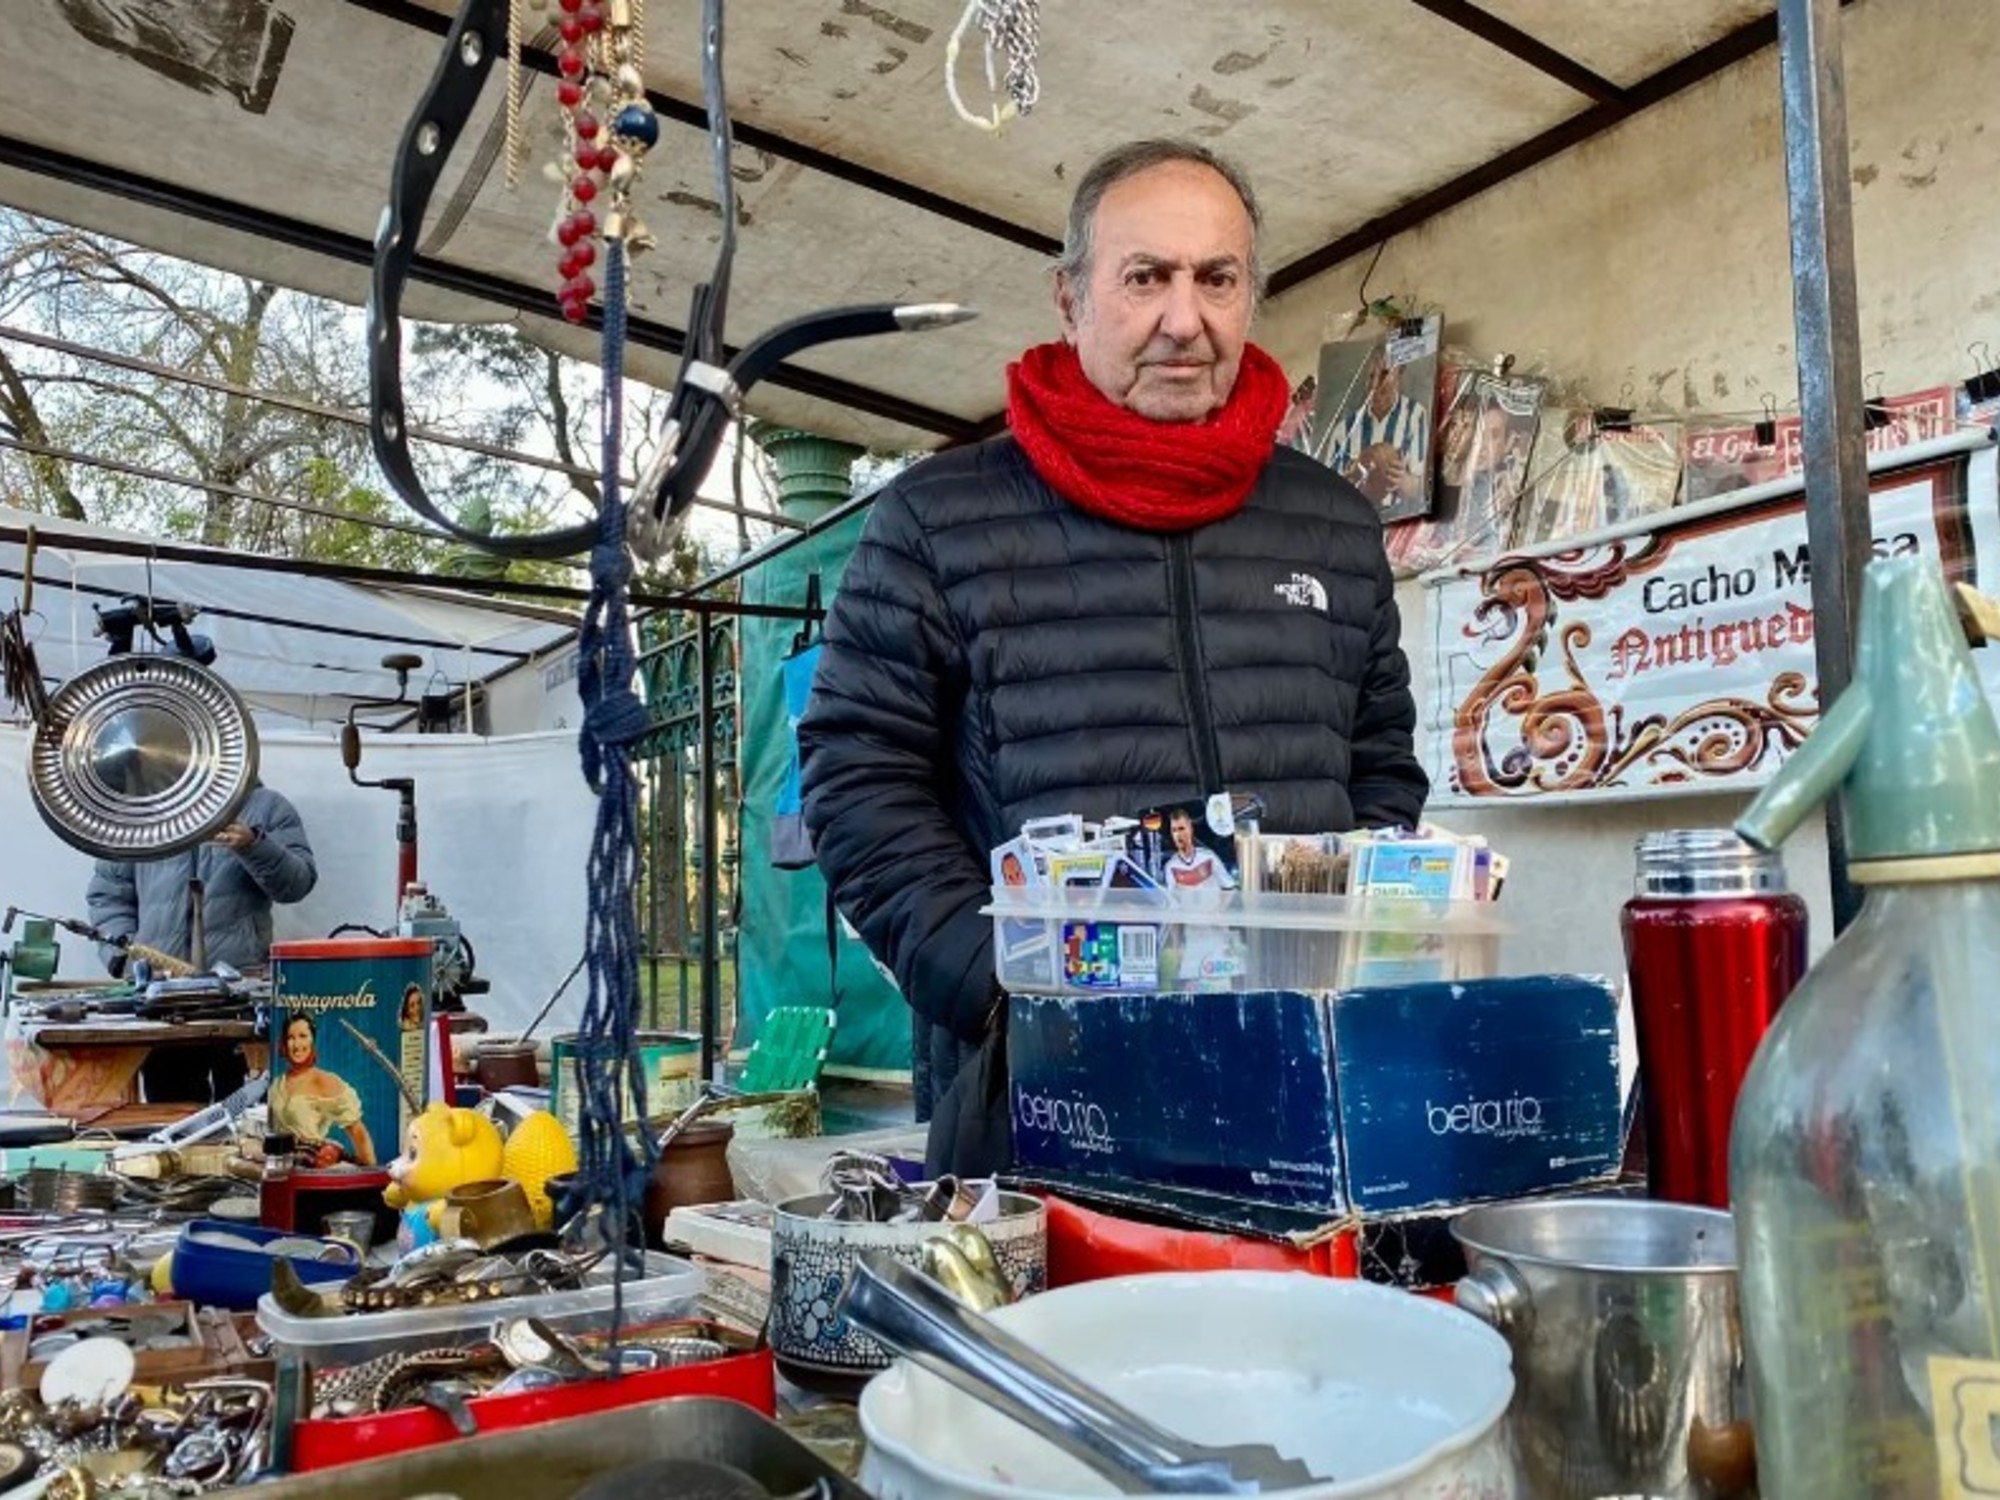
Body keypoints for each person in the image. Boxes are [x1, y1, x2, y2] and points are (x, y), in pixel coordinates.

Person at [798, 138, 1429, 1176]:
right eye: (1145, 277)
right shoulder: (939, 517)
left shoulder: (1331, 525)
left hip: (1299, 1079)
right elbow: (856, 778)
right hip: (1037, 1096)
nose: (1184, 318)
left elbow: (1380, 771)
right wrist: (999, 978)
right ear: (1069, 298)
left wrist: (1348, 950)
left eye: (1215, 279)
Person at [86, 781, 318, 977]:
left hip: (238, 982)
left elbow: (297, 885)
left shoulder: (265, 806)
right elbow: (109, 896)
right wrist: (125, 957)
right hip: (158, 985)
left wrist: (254, 845)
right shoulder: (139, 814)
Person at [268, 1011, 376, 1167]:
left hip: (313, 1172)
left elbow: (358, 1132)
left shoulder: (325, 1081)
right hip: (280, 1170)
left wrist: (371, 1176)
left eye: (303, 1036)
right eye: (291, 1037)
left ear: (312, 1040)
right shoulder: (277, 1083)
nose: (297, 1044)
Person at [1328, 347, 1429, 514]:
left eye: (1384, 374)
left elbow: (1423, 489)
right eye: (1370, 376)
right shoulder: (1344, 430)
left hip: (1399, 523)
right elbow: (1329, 495)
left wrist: (1402, 481)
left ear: (1399, 376)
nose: (1375, 385)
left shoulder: (1416, 415)